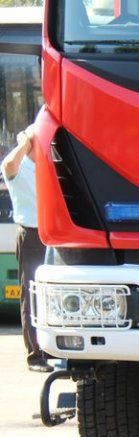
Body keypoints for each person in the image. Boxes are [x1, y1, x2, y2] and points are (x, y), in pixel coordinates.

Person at [2, 125, 51, 373]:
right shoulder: (19, 168)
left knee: (50, 294)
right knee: (30, 293)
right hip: (31, 234)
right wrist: (24, 143)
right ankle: (35, 354)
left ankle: (53, 347)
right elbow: (8, 165)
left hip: (53, 235)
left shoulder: (48, 163)